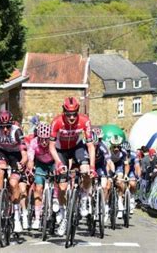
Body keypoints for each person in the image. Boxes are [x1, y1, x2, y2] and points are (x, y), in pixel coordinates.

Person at [48, 97, 96, 236]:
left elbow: (90, 146)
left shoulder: (84, 121)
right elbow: (51, 147)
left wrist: (92, 166)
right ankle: (63, 216)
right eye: (69, 114)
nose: (72, 117)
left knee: (86, 171)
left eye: (75, 113)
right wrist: (58, 163)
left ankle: (84, 198)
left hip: (77, 147)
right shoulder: (56, 122)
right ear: (64, 112)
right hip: (60, 150)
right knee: (62, 186)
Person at [0, 110, 27, 233]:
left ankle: (17, 217)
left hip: (15, 155)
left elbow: (24, 154)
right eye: (2, 127)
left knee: (14, 184)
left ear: (11, 124)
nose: (5, 130)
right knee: (0, 170)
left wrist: (22, 163)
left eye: (7, 126)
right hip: (2, 152)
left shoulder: (17, 131)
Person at [26, 122, 55, 230]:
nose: (43, 141)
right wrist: (30, 163)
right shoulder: (34, 142)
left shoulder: (54, 142)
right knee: (38, 188)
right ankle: (37, 218)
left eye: (46, 139)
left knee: (59, 179)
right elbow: (30, 156)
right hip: (40, 165)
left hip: (52, 163)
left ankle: (55, 199)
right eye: (41, 139)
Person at [107, 135, 129, 219]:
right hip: (109, 164)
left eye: (118, 146)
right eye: (114, 146)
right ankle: (106, 203)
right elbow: (107, 163)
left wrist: (126, 175)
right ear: (111, 145)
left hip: (119, 165)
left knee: (120, 182)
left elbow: (126, 165)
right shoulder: (108, 151)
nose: (116, 148)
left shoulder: (123, 152)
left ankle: (120, 200)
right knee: (108, 184)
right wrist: (110, 175)